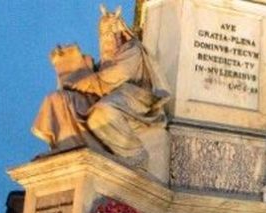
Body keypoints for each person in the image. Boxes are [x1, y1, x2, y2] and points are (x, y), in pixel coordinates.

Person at [32, 5, 170, 162]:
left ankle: (135, 154)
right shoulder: (105, 61)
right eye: (103, 34)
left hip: (135, 98)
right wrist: (70, 66)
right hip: (111, 97)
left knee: (101, 113)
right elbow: (96, 78)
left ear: (119, 31)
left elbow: (117, 75)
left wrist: (84, 82)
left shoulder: (132, 49)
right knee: (57, 99)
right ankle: (67, 147)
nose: (106, 38)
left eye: (110, 32)